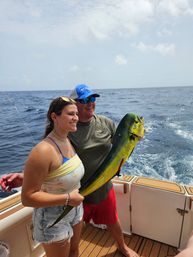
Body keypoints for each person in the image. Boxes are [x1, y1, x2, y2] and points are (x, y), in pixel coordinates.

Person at [0, 85, 138, 257]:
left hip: (100, 187)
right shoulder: (66, 132)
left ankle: (122, 247)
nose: (90, 103)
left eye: (92, 99)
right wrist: (26, 176)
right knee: (72, 243)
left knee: (110, 221)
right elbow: (49, 161)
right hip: (77, 193)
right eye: (84, 100)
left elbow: (121, 149)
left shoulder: (104, 124)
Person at [21, 96, 84, 257]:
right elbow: (27, 198)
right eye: (70, 114)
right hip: (51, 218)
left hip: (75, 209)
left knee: (74, 251)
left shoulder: (68, 140)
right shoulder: (43, 151)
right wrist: (68, 198)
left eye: (76, 113)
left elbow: (56, 175)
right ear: (54, 117)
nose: (76, 117)